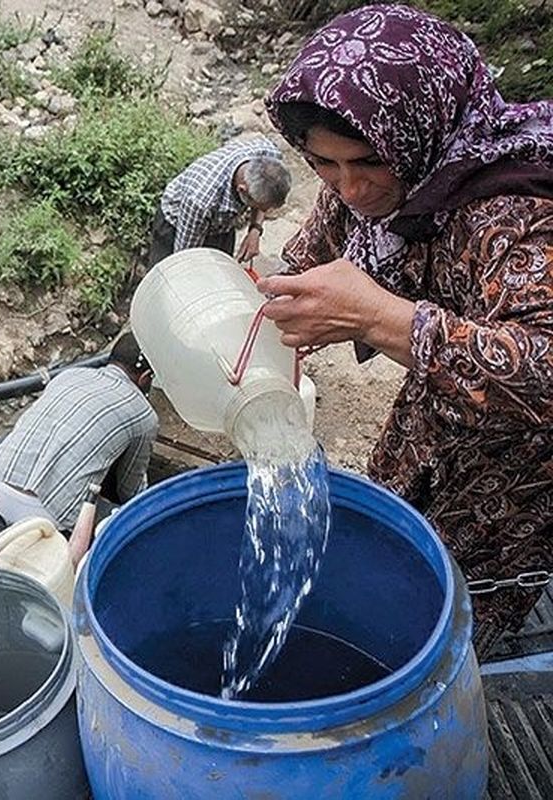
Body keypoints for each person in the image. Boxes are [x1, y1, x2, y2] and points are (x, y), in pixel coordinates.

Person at [259, 4, 553, 653]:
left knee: (454, 612)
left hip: (518, 471)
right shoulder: (378, 179)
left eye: (367, 163)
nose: (350, 188)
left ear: (423, 134)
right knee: (389, 551)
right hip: (430, 417)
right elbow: (312, 257)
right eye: (324, 164)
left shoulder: (520, 211)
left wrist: (380, 318)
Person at [0, 333, 159, 541]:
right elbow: (129, 489)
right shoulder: (143, 414)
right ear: (145, 377)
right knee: (129, 520)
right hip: (51, 527)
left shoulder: (70, 375)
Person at [147, 135, 292, 267]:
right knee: (171, 280)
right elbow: (186, 260)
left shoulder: (270, 156)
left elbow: (262, 197)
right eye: (261, 207)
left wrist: (255, 230)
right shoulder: (200, 201)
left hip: (221, 223)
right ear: (243, 190)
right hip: (177, 225)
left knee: (221, 271)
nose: (265, 212)